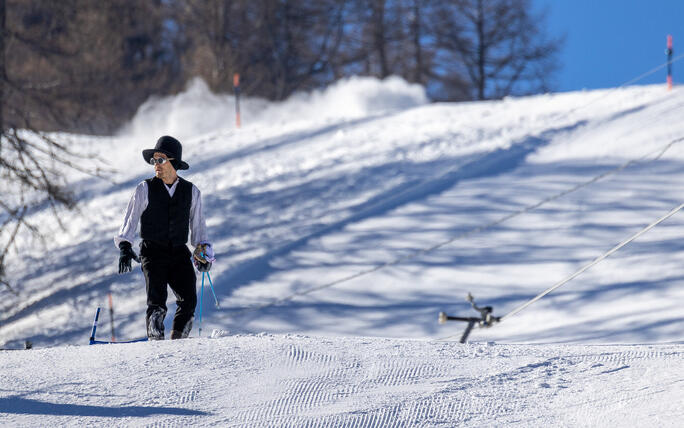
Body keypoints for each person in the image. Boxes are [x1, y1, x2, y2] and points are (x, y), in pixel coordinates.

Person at [115, 135, 215, 340]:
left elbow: (199, 230)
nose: (155, 165)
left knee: (189, 300)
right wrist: (125, 246)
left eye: (160, 160)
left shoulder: (191, 192)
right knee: (157, 301)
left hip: (179, 252)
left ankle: (177, 343)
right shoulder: (145, 189)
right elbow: (130, 219)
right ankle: (156, 342)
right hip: (152, 252)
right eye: (154, 160)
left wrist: (203, 255)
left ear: (174, 163)